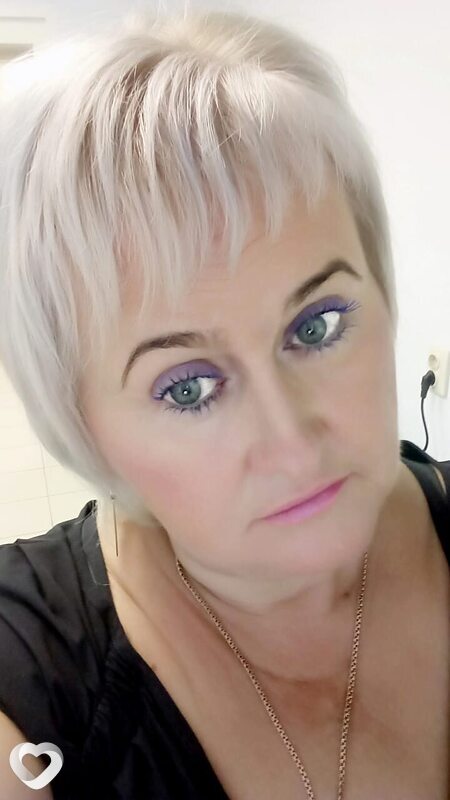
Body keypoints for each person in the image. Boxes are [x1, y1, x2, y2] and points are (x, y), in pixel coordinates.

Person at [0, 7, 448, 800]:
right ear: (85, 426)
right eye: (188, 387)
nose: (293, 442)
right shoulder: (31, 674)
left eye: (317, 325)